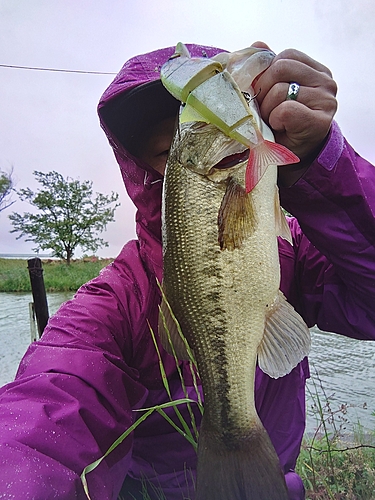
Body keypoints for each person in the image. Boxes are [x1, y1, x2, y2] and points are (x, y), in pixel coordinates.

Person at [0, 42, 374, 500]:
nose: (169, 164)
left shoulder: (294, 250)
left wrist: (321, 166)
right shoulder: (116, 299)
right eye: (164, 151)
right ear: (140, 174)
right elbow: (46, 411)